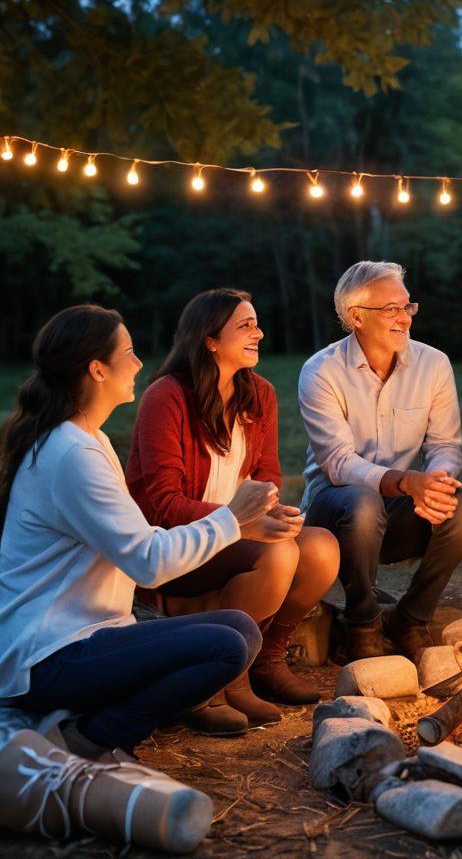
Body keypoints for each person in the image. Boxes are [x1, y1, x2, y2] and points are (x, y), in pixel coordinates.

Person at [0, 306, 277, 758]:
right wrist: (231, 517)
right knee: (224, 647)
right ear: (96, 369)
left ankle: (89, 717)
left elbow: (137, 543)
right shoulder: (72, 454)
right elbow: (148, 563)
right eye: (128, 354)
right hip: (48, 656)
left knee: (240, 629)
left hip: (85, 638)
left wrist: (238, 521)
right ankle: (94, 738)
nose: (139, 364)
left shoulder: (87, 439)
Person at [126, 289, 339, 733]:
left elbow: (268, 475)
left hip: (241, 530)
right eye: (245, 325)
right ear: (209, 340)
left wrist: (273, 512)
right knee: (279, 555)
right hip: (179, 542)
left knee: (321, 547)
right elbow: (162, 504)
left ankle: (266, 659)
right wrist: (240, 522)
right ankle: (220, 680)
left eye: (256, 323)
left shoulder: (257, 394)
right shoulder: (166, 397)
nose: (258, 333)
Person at [300, 262, 462, 660]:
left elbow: (445, 445)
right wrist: (404, 481)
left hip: (402, 509)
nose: (405, 318)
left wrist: (436, 482)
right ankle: (362, 621)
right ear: (356, 317)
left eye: (407, 307)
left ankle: (411, 618)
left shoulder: (433, 364)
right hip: (334, 514)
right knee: (361, 502)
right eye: (391, 310)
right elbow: (338, 463)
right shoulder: (321, 371)